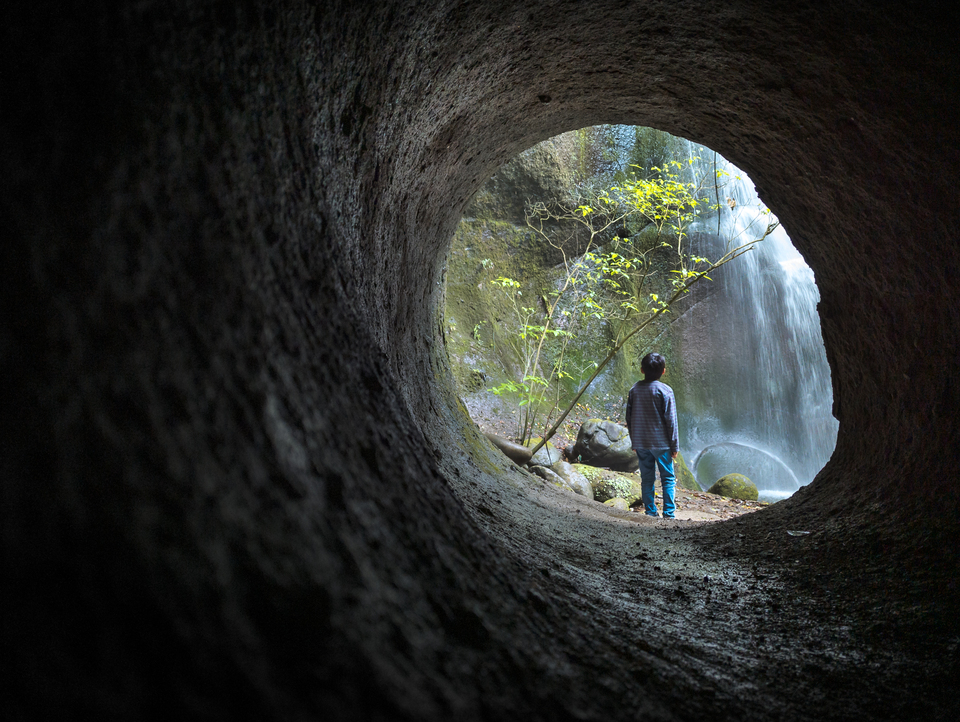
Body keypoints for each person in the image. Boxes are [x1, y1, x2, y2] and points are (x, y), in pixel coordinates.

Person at [625, 352, 679, 519]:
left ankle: (650, 512)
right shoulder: (665, 391)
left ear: (642, 370)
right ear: (663, 371)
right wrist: (674, 445)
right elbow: (671, 421)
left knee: (647, 478)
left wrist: (634, 441)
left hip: (641, 442)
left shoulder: (634, 390)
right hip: (661, 443)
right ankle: (669, 514)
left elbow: (629, 417)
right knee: (668, 478)